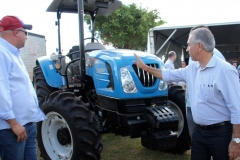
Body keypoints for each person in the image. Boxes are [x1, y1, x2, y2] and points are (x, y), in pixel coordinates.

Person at [134, 28, 240, 160]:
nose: (187, 49)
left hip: (221, 134)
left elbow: (237, 108)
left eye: (189, 45)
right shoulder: (192, 69)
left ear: (199, 46)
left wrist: (236, 140)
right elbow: (167, 74)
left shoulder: (225, 71)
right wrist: (146, 68)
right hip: (199, 133)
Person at [0, 15, 46, 160]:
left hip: (27, 124)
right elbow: (1, 90)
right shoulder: (1, 53)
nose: (26, 37)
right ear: (16, 32)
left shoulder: (13, 54)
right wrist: (13, 123)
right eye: (25, 33)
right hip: (12, 128)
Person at [186, 25, 226, 138]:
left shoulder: (217, 56)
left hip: (209, 108)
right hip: (191, 105)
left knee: (212, 142)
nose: (188, 46)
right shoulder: (192, 54)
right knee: (196, 141)